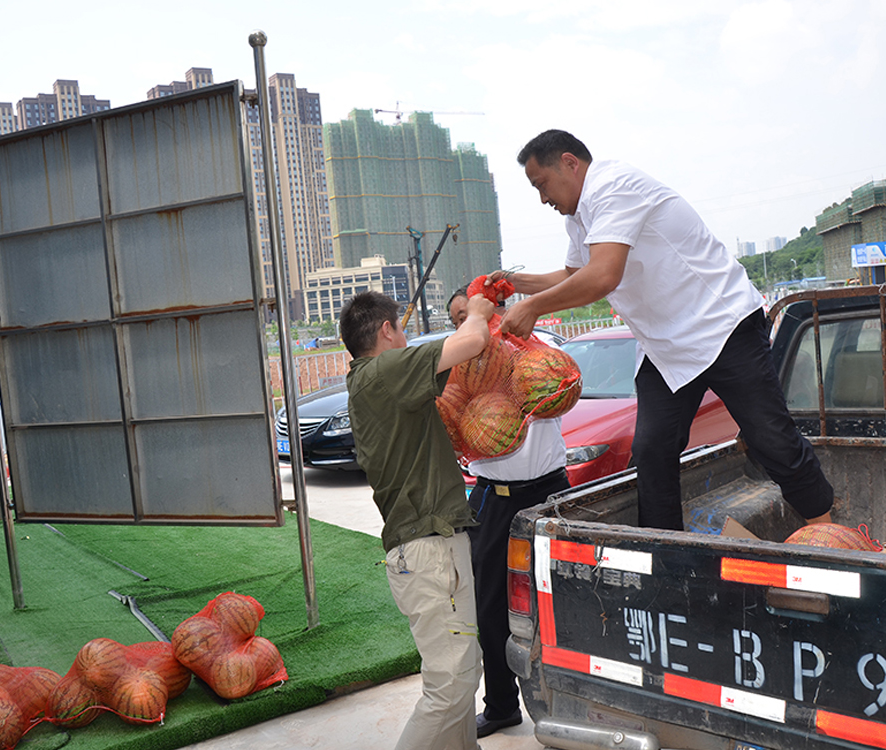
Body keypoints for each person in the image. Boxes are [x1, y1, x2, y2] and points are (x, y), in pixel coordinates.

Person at [491, 129, 833, 530]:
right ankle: (665, 550)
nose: (543, 199)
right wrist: (516, 284)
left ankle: (828, 531)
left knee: (770, 437)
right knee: (652, 450)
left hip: (720, 327)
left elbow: (602, 276)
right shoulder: (579, 217)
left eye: (541, 184)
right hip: (663, 347)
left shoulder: (614, 187)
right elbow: (574, 273)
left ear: (570, 162)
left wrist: (532, 307)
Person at [340, 289, 495, 750]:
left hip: (432, 547)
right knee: (449, 689)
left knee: (462, 679)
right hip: (429, 550)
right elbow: (471, 343)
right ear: (386, 330)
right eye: (401, 330)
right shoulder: (383, 371)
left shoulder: (370, 380)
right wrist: (480, 312)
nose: (406, 338)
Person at [447, 288, 570, 738]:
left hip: (549, 494)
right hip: (491, 499)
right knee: (490, 608)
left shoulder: (538, 352)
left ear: (496, 312)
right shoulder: (460, 374)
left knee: (560, 602)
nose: (469, 321)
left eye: (473, 312)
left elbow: (562, 387)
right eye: (459, 318)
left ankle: (569, 703)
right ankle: (501, 705)